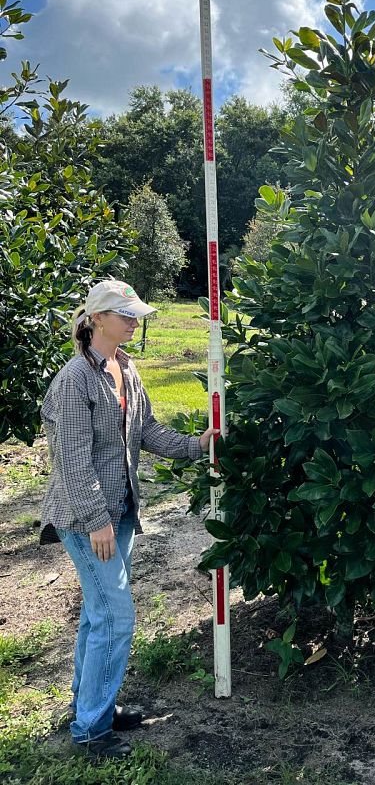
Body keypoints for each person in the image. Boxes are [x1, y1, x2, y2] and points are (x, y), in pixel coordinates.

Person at [39, 279, 219, 760]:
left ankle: (91, 704)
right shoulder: (74, 380)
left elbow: (146, 431)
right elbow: (72, 459)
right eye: (124, 314)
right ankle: (92, 730)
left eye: (135, 313)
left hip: (118, 512)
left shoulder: (126, 368)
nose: (133, 321)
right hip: (86, 519)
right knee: (116, 618)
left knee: (98, 616)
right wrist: (97, 521)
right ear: (96, 318)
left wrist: (196, 446)